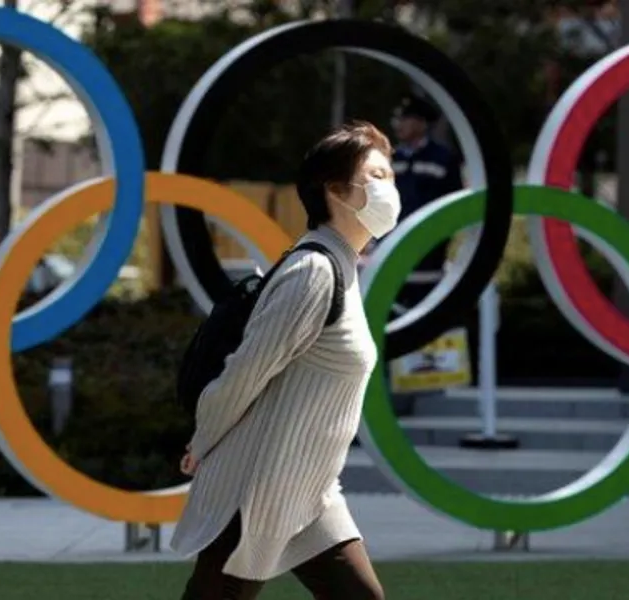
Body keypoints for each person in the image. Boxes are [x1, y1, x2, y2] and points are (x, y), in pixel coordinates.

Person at [172, 121, 398, 600]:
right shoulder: (313, 272)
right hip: (255, 486)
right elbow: (243, 373)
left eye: (390, 176)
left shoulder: (344, 268)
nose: (389, 189)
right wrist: (203, 439)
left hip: (309, 490)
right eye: (376, 177)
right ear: (334, 191)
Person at [389, 93, 463, 311]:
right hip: (390, 263)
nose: (398, 124)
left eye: (405, 118)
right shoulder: (389, 159)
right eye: (397, 119)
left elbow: (453, 208)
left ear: (422, 123)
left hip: (427, 264)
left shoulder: (442, 158)